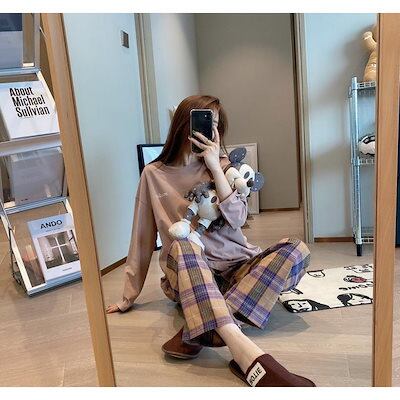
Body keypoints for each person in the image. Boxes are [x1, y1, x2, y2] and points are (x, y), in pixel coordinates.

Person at [106, 95, 315, 387]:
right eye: (202, 122)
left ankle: (201, 328)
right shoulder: (153, 174)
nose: (208, 130)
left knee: (297, 249)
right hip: (188, 273)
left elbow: (238, 218)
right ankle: (245, 353)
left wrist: (215, 167)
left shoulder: (226, 168)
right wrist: (128, 296)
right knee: (183, 243)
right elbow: (141, 237)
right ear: (183, 125)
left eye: (214, 125)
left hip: (237, 268)